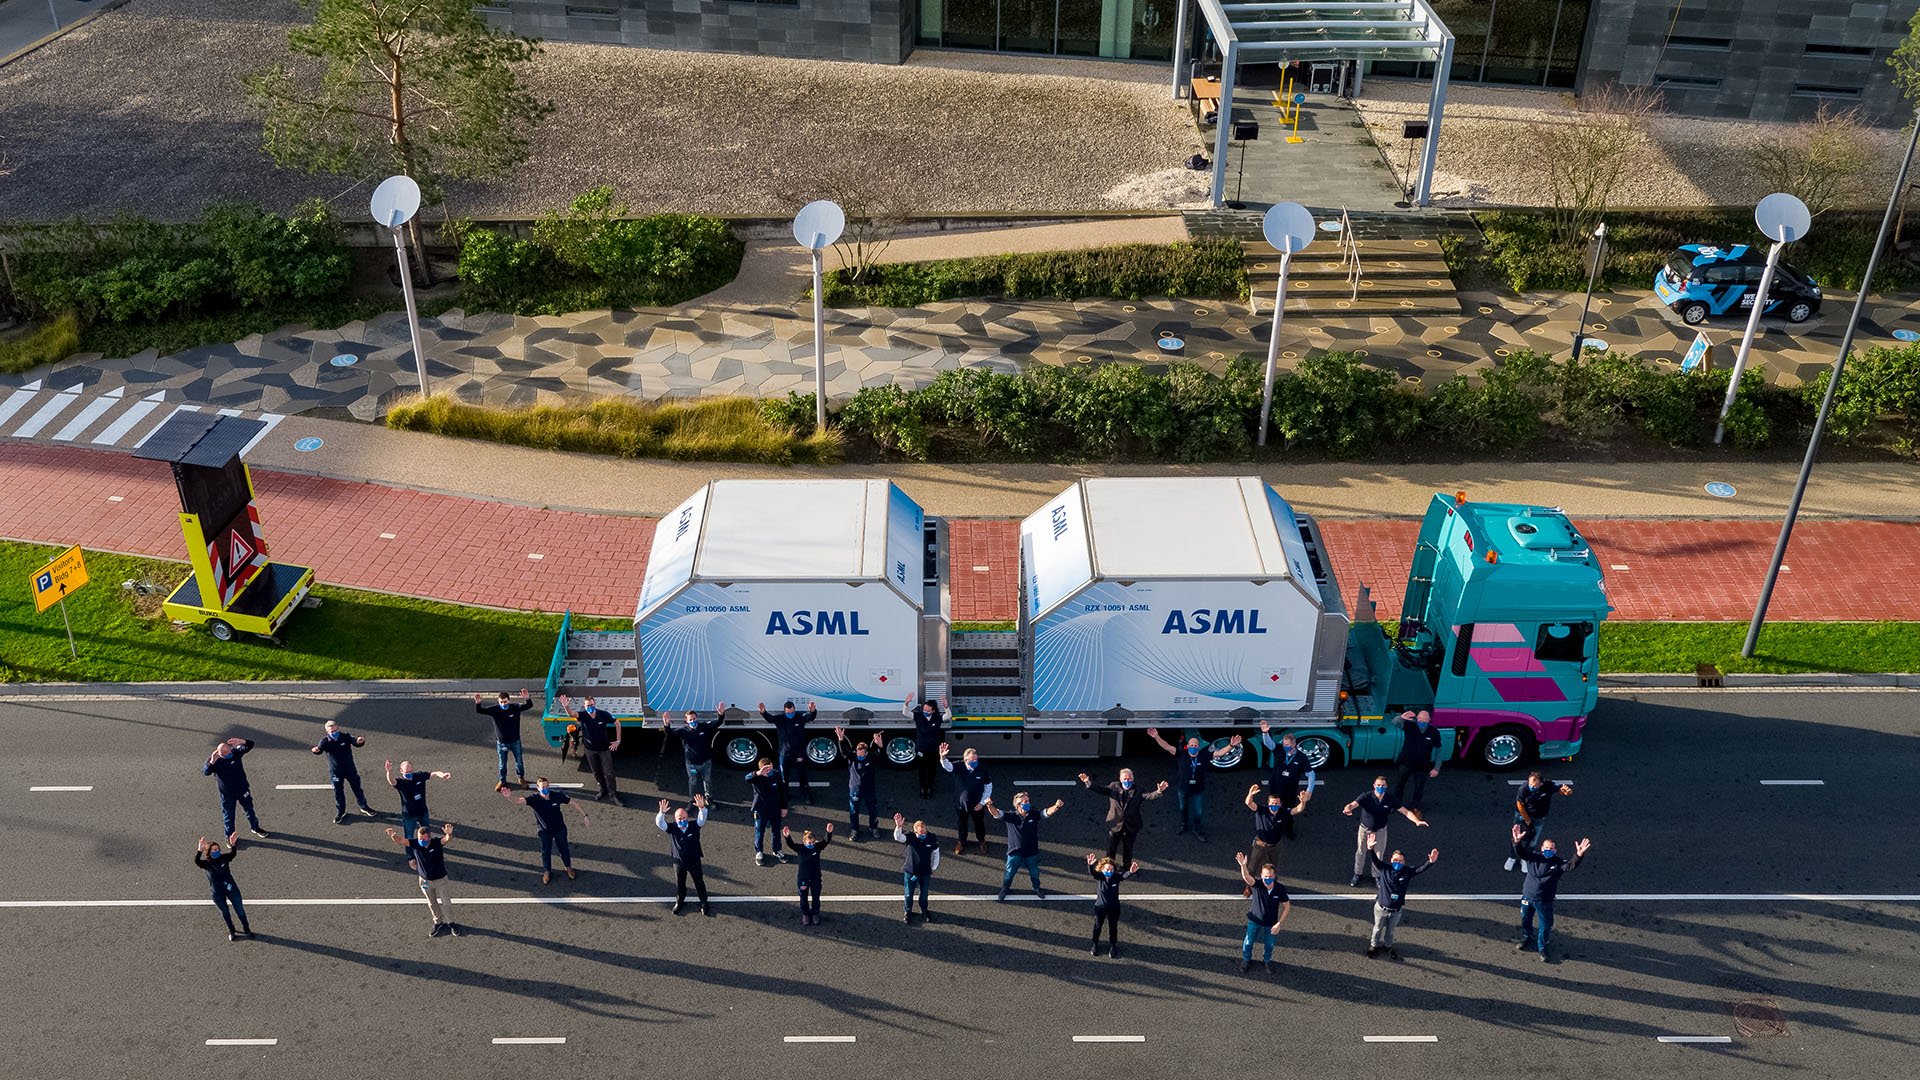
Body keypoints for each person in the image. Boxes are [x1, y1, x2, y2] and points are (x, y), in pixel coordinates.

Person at [1144, 728, 1242, 843]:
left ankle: (1197, 830)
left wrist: (1231, 745)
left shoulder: (1204, 755)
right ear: (1188, 745)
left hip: (1198, 790)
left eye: (1196, 745)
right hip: (1183, 789)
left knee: (1198, 812)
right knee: (1183, 809)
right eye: (1191, 745)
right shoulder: (1181, 754)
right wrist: (1156, 736)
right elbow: (1167, 746)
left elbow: (1219, 753)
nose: (1194, 747)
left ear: (1198, 746)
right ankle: (1183, 825)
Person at [1511, 824, 1591, 961]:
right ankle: (1527, 937)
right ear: (1542, 848)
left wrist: (1578, 855)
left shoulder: (1558, 863)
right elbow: (1520, 853)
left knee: (1545, 925)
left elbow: (1570, 865)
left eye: (1551, 848)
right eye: (1546, 847)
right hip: (1527, 897)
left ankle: (1542, 947)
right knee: (1525, 919)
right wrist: (1517, 842)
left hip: (1544, 901)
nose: (1548, 850)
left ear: (1555, 850)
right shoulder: (1533, 857)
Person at [1341, 775, 1429, 887]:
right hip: (1365, 830)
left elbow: (1405, 811)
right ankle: (1357, 873)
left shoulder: (1390, 799)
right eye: (1378, 785)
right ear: (1374, 786)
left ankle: (1376, 875)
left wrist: (1416, 821)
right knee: (1361, 852)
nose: (1380, 787)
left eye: (1383, 785)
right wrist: (1348, 808)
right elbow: (1353, 804)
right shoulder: (1366, 796)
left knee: (1379, 855)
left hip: (1380, 831)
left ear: (1386, 786)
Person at [500, 777, 591, 884]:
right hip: (544, 832)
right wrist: (509, 797)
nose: (546, 789)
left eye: (547, 786)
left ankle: (568, 867)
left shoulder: (557, 796)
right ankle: (547, 871)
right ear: (538, 788)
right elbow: (519, 801)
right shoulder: (534, 799)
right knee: (546, 852)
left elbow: (573, 802)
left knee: (564, 849)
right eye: (543, 787)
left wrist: (584, 815)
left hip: (560, 829)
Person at [1078, 769, 1168, 870]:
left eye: (1129, 778)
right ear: (1120, 779)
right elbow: (1101, 789)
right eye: (1125, 778)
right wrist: (1088, 782)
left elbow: (1148, 796)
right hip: (1115, 823)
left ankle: (1127, 867)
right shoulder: (1114, 787)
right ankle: (1109, 866)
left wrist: (1159, 791)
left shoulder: (1138, 789)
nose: (1127, 780)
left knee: (1128, 847)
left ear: (1133, 779)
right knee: (1111, 847)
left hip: (1131, 824)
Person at [386, 822, 461, 938]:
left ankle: (451, 923)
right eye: (420, 838)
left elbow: (446, 839)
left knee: (446, 903)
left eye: (423, 838)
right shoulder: (416, 843)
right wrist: (393, 836)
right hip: (425, 881)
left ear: (429, 837)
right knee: (432, 903)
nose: (421, 841)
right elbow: (401, 841)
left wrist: (449, 834)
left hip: (440, 879)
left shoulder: (436, 843)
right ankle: (438, 922)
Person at [1365, 841, 1439, 959]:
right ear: (1391, 860)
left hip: (1396, 911)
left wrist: (1430, 862)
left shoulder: (1407, 872)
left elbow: (1420, 869)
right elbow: (1374, 860)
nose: (1397, 862)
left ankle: (1388, 946)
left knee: (1390, 931)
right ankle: (1373, 946)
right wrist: (1370, 848)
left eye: (1400, 861)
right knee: (1377, 928)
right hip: (1381, 909)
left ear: (1404, 862)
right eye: (1395, 860)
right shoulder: (1385, 869)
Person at [986, 793, 1065, 901]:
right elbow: (996, 813)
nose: (1028, 803)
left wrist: (1056, 806)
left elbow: (1046, 812)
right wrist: (989, 806)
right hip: (1015, 853)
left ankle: (1036, 888)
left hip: (1031, 853)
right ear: (1018, 805)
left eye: (1028, 801)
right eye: (1025, 802)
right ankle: (1005, 889)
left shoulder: (1034, 815)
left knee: (1035, 873)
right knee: (1009, 874)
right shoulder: (1011, 816)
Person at [556, 693, 622, 803]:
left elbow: (617, 723)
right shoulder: (583, 715)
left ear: (595, 704)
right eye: (587, 706)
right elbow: (571, 713)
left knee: (609, 772)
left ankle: (613, 794)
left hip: (604, 749)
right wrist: (566, 706)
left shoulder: (603, 715)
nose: (590, 707)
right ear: (584, 706)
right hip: (590, 750)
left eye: (591, 705)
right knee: (596, 772)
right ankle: (602, 790)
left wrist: (618, 740)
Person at [1242, 783, 1306, 893]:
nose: (1274, 805)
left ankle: (1271, 886)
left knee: (1273, 866)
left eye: (1276, 803)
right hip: (1260, 844)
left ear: (1280, 804)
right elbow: (1248, 803)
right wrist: (1250, 794)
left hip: (1276, 845)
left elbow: (1298, 809)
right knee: (1252, 867)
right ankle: (1248, 886)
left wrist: (1303, 802)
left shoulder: (1284, 812)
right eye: (1272, 803)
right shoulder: (1261, 811)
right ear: (1268, 803)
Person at [309, 720, 377, 824]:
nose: (334, 732)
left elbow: (355, 742)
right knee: (338, 792)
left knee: (357, 788)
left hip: (350, 769)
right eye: (332, 731)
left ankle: (364, 807)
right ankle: (340, 812)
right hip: (336, 772)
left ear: (338, 728)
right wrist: (316, 751)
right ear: (327, 731)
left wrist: (360, 741)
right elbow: (319, 749)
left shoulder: (345, 736)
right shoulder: (325, 741)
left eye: (335, 730)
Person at [1256, 723, 1317, 840]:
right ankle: (1269, 827)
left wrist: (1309, 791)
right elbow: (1269, 744)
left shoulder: (1301, 757)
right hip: (1275, 788)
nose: (1285, 746)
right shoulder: (1279, 750)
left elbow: (1311, 774)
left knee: (1288, 812)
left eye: (1287, 745)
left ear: (1294, 744)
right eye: (1284, 744)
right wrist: (1265, 733)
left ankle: (1289, 830)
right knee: (1272, 808)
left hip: (1290, 791)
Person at [1234, 852, 1292, 974]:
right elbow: (1247, 878)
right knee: (1248, 941)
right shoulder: (1257, 885)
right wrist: (1243, 866)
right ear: (1261, 875)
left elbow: (1287, 906)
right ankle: (1246, 959)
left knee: (1269, 945)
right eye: (1265, 876)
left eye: (1270, 876)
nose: (1267, 878)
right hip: (1254, 920)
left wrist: (1279, 924)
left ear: (1274, 876)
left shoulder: (1280, 889)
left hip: (1271, 923)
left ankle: (1267, 961)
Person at [657, 796, 715, 916]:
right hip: (678, 862)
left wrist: (702, 808)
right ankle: (680, 901)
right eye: (679, 818)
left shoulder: (694, 826)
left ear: (687, 818)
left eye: (684, 818)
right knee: (680, 883)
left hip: (694, 860)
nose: (682, 820)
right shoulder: (672, 828)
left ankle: (704, 902)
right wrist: (661, 813)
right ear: (675, 819)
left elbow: (702, 818)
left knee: (699, 882)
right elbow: (660, 823)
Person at [203, 738, 269, 840]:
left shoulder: (235, 753)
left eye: (229, 750)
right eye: (226, 753)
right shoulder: (215, 761)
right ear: (220, 754)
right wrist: (211, 762)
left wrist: (242, 741)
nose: (230, 753)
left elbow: (250, 745)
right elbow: (206, 772)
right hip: (227, 794)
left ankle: (255, 827)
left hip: (242, 789)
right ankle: (229, 837)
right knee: (229, 816)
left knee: (250, 810)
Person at [1508, 772, 1575, 871]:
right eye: (1530, 784)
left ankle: (1524, 858)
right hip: (1522, 816)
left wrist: (1567, 792)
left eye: (1534, 786)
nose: (1531, 787)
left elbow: (1561, 790)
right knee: (1516, 837)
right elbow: (1520, 805)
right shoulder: (1523, 788)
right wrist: (1527, 820)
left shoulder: (1548, 786)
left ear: (1541, 784)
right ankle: (1512, 857)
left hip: (1539, 818)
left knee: (1532, 841)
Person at [938, 743, 994, 855]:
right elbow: (948, 767)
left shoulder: (982, 769)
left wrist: (982, 803)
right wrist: (943, 757)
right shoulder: (959, 767)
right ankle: (962, 842)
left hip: (977, 804)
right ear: (965, 759)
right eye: (973, 760)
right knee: (961, 823)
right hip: (961, 804)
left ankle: (982, 841)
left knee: (979, 823)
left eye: (976, 759)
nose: (975, 762)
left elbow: (988, 787)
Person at [473, 688, 533, 791]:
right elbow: (480, 711)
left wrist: (527, 698)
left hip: (515, 741)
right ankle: (502, 780)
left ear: (509, 700)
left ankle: (521, 778)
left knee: (519, 762)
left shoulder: (515, 708)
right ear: (498, 701)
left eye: (505, 702)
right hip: (501, 743)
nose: (503, 704)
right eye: (501, 702)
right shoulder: (495, 710)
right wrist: (478, 703)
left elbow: (529, 706)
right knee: (502, 764)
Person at [760, 699, 818, 804]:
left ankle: (807, 796)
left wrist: (813, 711)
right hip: (784, 754)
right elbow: (770, 719)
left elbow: (810, 717)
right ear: (784, 711)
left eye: (791, 712)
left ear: (794, 710)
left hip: (798, 753)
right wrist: (763, 712)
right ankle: (785, 796)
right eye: (788, 712)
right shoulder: (780, 719)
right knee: (784, 778)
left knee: (802, 776)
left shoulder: (800, 718)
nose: (790, 714)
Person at [195, 834, 251, 941]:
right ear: (209, 852)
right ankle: (232, 930)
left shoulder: (224, 858)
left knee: (240, 910)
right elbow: (197, 861)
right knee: (225, 912)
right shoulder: (206, 864)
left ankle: (247, 929)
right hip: (217, 893)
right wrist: (199, 850)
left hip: (232, 889)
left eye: (217, 849)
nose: (217, 851)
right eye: (214, 850)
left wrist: (233, 844)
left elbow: (233, 854)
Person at [665, 704, 727, 802]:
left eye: (694, 718)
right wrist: (666, 725)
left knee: (707, 780)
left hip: (706, 762)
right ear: (686, 721)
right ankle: (692, 800)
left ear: (696, 718)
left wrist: (721, 714)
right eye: (690, 720)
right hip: (692, 765)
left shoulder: (704, 727)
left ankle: (709, 798)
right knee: (693, 781)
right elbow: (670, 733)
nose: (693, 721)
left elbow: (718, 722)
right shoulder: (683, 731)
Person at [1085, 853, 1141, 958]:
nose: (1109, 871)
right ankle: (1095, 943)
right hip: (1100, 907)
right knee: (1097, 926)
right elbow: (1092, 873)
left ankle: (1113, 945)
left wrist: (1131, 872)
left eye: (1111, 869)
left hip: (1114, 908)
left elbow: (1123, 876)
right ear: (1102, 869)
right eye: (1107, 869)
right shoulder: (1100, 877)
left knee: (1113, 927)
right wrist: (1090, 865)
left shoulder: (1116, 877)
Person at [385, 759, 451, 842]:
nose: (409, 773)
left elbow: (433, 773)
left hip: (423, 812)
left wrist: (442, 775)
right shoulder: (401, 782)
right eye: (407, 771)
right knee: (409, 837)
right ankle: (410, 854)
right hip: (409, 815)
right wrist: (389, 771)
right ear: (401, 771)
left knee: (426, 832)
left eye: (411, 771)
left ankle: (428, 847)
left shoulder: (419, 776)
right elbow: (392, 781)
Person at [835, 726, 884, 839]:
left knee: (872, 810)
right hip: (855, 790)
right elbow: (844, 752)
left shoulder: (871, 757)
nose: (859, 756)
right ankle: (854, 830)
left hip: (869, 790)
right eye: (858, 753)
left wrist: (880, 744)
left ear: (866, 753)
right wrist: (841, 739)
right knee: (853, 812)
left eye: (862, 754)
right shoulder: (852, 757)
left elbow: (879, 753)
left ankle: (873, 827)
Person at [1390, 710, 1444, 809]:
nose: (1422, 722)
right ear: (1417, 719)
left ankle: (1415, 806)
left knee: (1419, 787)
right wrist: (1401, 717)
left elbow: (1439, 750)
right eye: (1420, 720)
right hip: (1405, 763)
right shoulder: (1410, 726)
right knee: (1399, 784)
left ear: (1429, 720)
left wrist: (1436, 767)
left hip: (1422, 765)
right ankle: (1396, 804)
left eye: (1424, 720)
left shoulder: (1434, 732)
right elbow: (1394, 722)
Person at [892, 813, 941, 924]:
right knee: (909, 894)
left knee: (924, 894)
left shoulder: (931, 838)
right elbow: (898, 837)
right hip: (910, 872)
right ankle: (907, 912)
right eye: (920, 832)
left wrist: (933, 866)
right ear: (915, 831)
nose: (923, 834)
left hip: (924, 873)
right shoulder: (910, 837)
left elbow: (936, 852)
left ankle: (924, 911)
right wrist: (898, 827)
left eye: (924, 832)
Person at [782, 823, 835, 925]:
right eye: (809, 842)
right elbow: (791, 845)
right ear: (804, 842)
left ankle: (815, 913)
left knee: (816, 898)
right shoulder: (800, 848)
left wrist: (829, 832)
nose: (811, 844)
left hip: (815, 878)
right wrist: (787, 836)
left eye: (812, 842)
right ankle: (805, 914)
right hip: (803, 878)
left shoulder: (817, 847)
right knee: (803, 898)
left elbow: (826, 841)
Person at [746, 758, 789, 865]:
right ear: (761, 769)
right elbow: (747, 778)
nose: (769, 770)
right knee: (759, 831)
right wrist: (758, 773)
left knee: (776, 831)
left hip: (775, 809)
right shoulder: (756, 778)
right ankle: (759, 852)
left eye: (771, 767)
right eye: (766, 769)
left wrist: (784, 807)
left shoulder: (776, 775)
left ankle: (777, 850)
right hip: (761, 810)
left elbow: (782, 792)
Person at [906, 695, 946, 799]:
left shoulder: (937, 718)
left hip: (933, 749)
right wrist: (906, 703)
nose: (925, 711)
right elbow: (905, 713)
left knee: (932, 769)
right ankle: (922, 787)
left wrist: (946, 706)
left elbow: (948, 716)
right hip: (921, 748)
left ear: (933, 710)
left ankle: (930, 787)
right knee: (921, 770)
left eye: (928, 710)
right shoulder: (918, 716)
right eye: (924, 709)